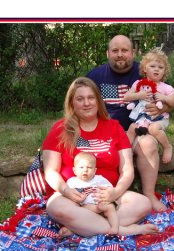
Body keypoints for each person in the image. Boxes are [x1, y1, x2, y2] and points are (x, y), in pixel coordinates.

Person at [42, 77, 159, 237]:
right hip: (72, 197)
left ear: (98, 101)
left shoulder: (114, 127)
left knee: (143, 203)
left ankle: (80, 226)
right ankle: (123, 230)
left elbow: (127, 170)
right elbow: (50, 171)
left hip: (107, 198)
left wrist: (115, 192)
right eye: (80, 99)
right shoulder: (59, 129)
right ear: (72, 104)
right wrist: (66, 190)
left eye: (91, 98)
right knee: (56, 207)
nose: (86, 103)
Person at [87, 35, 174, 212]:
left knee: (148, 144)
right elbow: (79, 99)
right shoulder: (95, 76)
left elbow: (170, 97)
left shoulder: (146, 70)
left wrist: (162, 108)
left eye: (124, 50)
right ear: (108, 53)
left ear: (133, 52)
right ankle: (101, 195)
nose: (120, 55)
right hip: (105, 133)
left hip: (138, 129)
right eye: (115, 51)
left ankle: (149, 195)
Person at [124, 48, 174, 164]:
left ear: (164, 71)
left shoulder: (166, 87)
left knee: (153, 129)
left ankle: (167, 146)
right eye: (153, 66)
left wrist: (165, 98)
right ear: (145, 69)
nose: (156, 69)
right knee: (132, 128)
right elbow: (126, 97)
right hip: (141, 119)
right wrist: (138, 94)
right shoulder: (138, 84)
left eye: (160, 67)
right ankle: (126, 152)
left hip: (159, 119)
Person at [67, 152, 119, 234]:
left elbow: (110, 190)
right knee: (78, 213)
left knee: (110, 207)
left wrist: (107, 195)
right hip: (87, 207)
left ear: (94, 171)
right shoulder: (72, 182)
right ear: (75, 170)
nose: (85, 170)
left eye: (89, 167)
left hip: (102, 203)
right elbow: (69, 196)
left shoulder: (100, 179)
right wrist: (78, 199)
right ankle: (70, 229)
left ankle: (115, 227)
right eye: (81, 167)